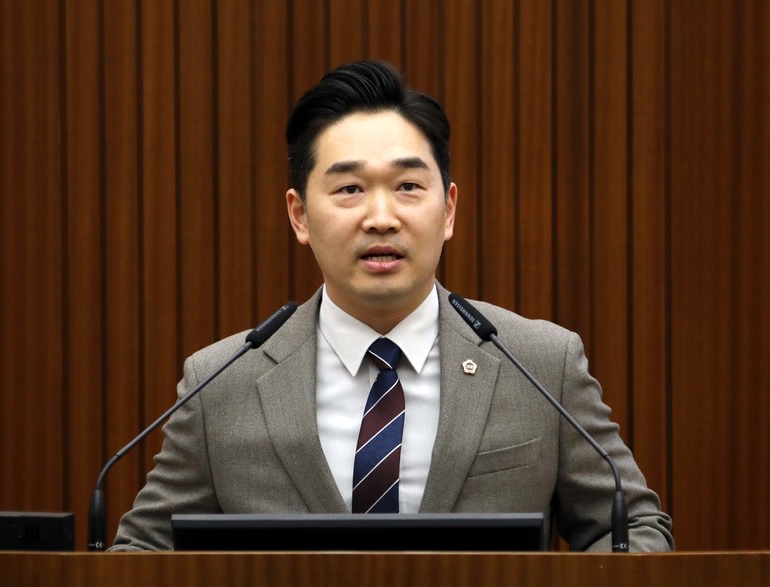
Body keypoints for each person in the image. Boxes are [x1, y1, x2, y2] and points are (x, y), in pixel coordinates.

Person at [110, 60, 673, 551]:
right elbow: (142, 549)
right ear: (299, 215)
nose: (381, 217)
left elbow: (634, 528)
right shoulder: (220, 383)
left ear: (447, 209)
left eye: (408, 186)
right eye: (349, 189)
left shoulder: (541, 362)